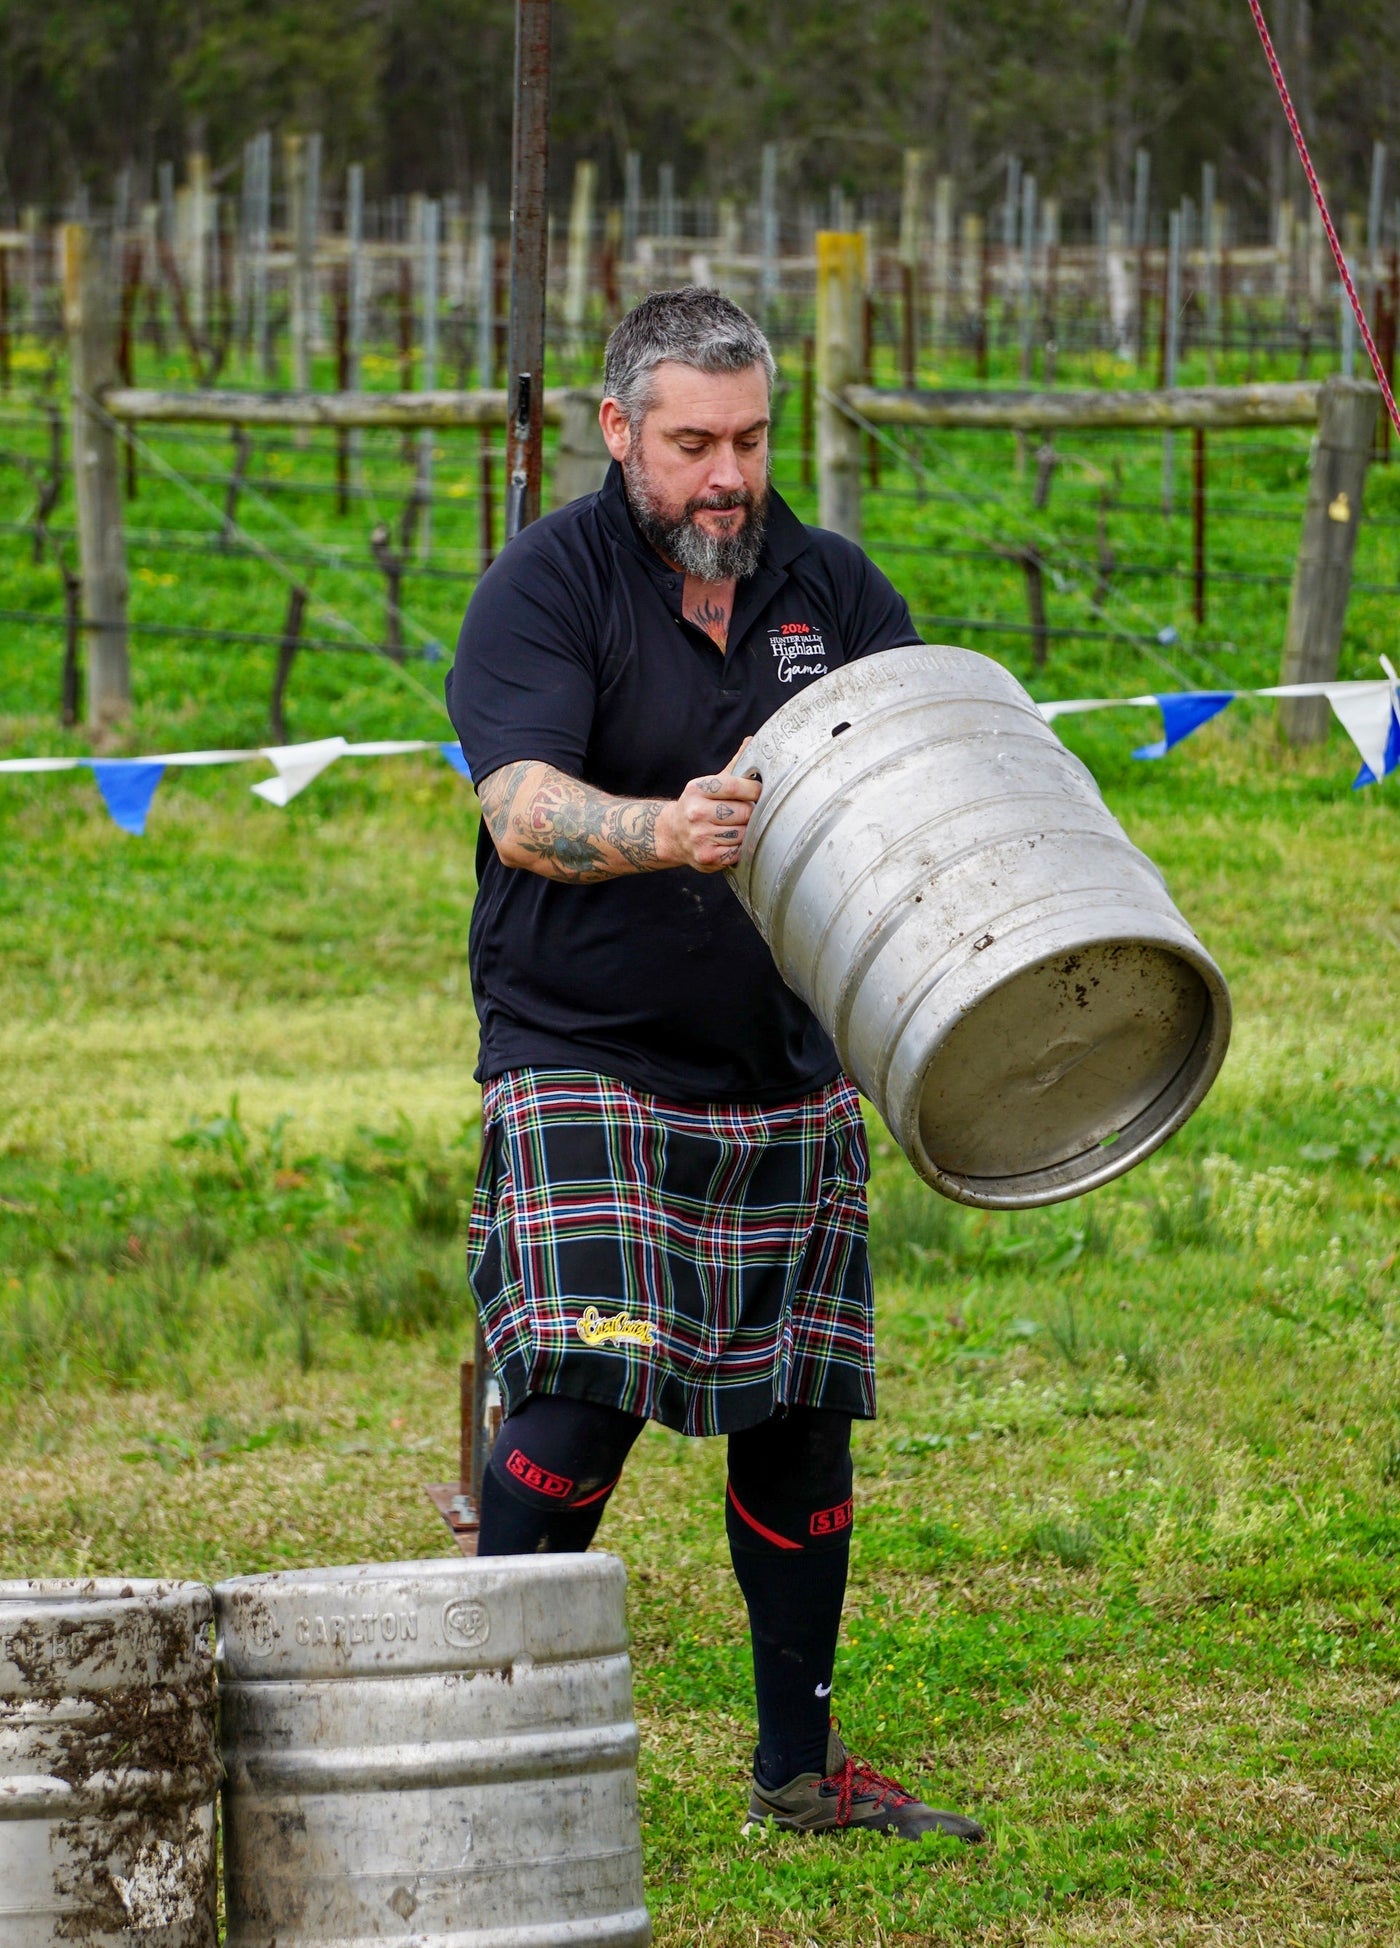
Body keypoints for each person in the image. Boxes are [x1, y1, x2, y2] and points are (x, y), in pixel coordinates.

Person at [446, 286, 984, 1844]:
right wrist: (660, 830)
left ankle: (799, 1779)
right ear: (620, 433)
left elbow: (918, 783)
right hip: (584, 1055)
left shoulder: (830, 586)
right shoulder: (548, 584)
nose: (728, 475)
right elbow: (520, 806)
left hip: (784, 1062)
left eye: (749, 438)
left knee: (804, 1418)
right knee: (579, 1394)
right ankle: (483, 1772)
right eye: (692, 444)